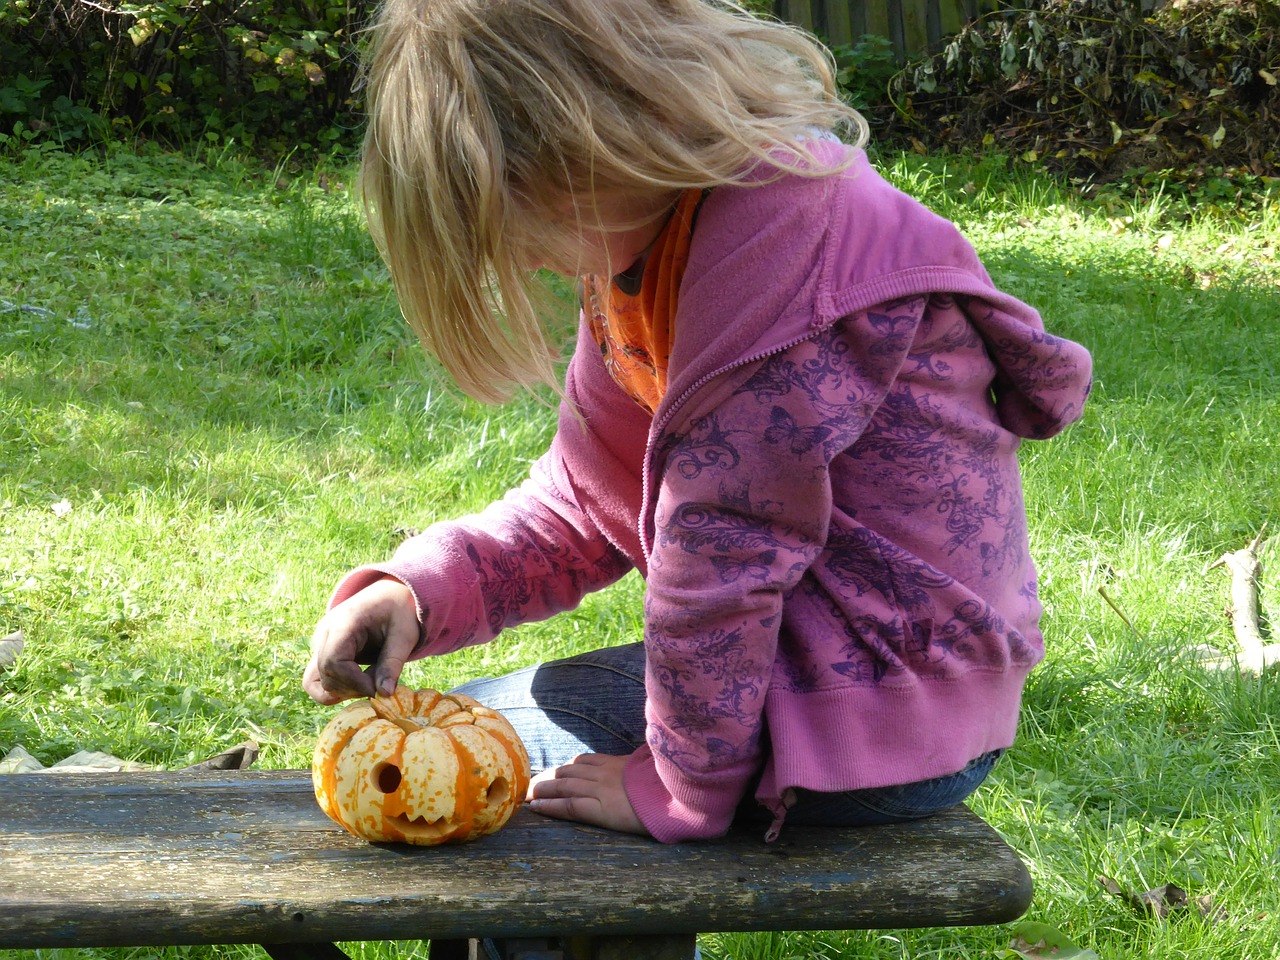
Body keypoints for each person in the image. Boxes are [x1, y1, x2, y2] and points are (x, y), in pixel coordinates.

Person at [302, 0, 1093, 846]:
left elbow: (722, 563)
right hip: (803, 679)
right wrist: (420, 590)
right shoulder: (643, 240)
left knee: (486, 781)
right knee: (456, 743)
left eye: (506, 215)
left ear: (577, 150)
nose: (518, 255)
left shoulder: (786, 286)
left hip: (873, 715)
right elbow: (585, 497)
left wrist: (678, 790)